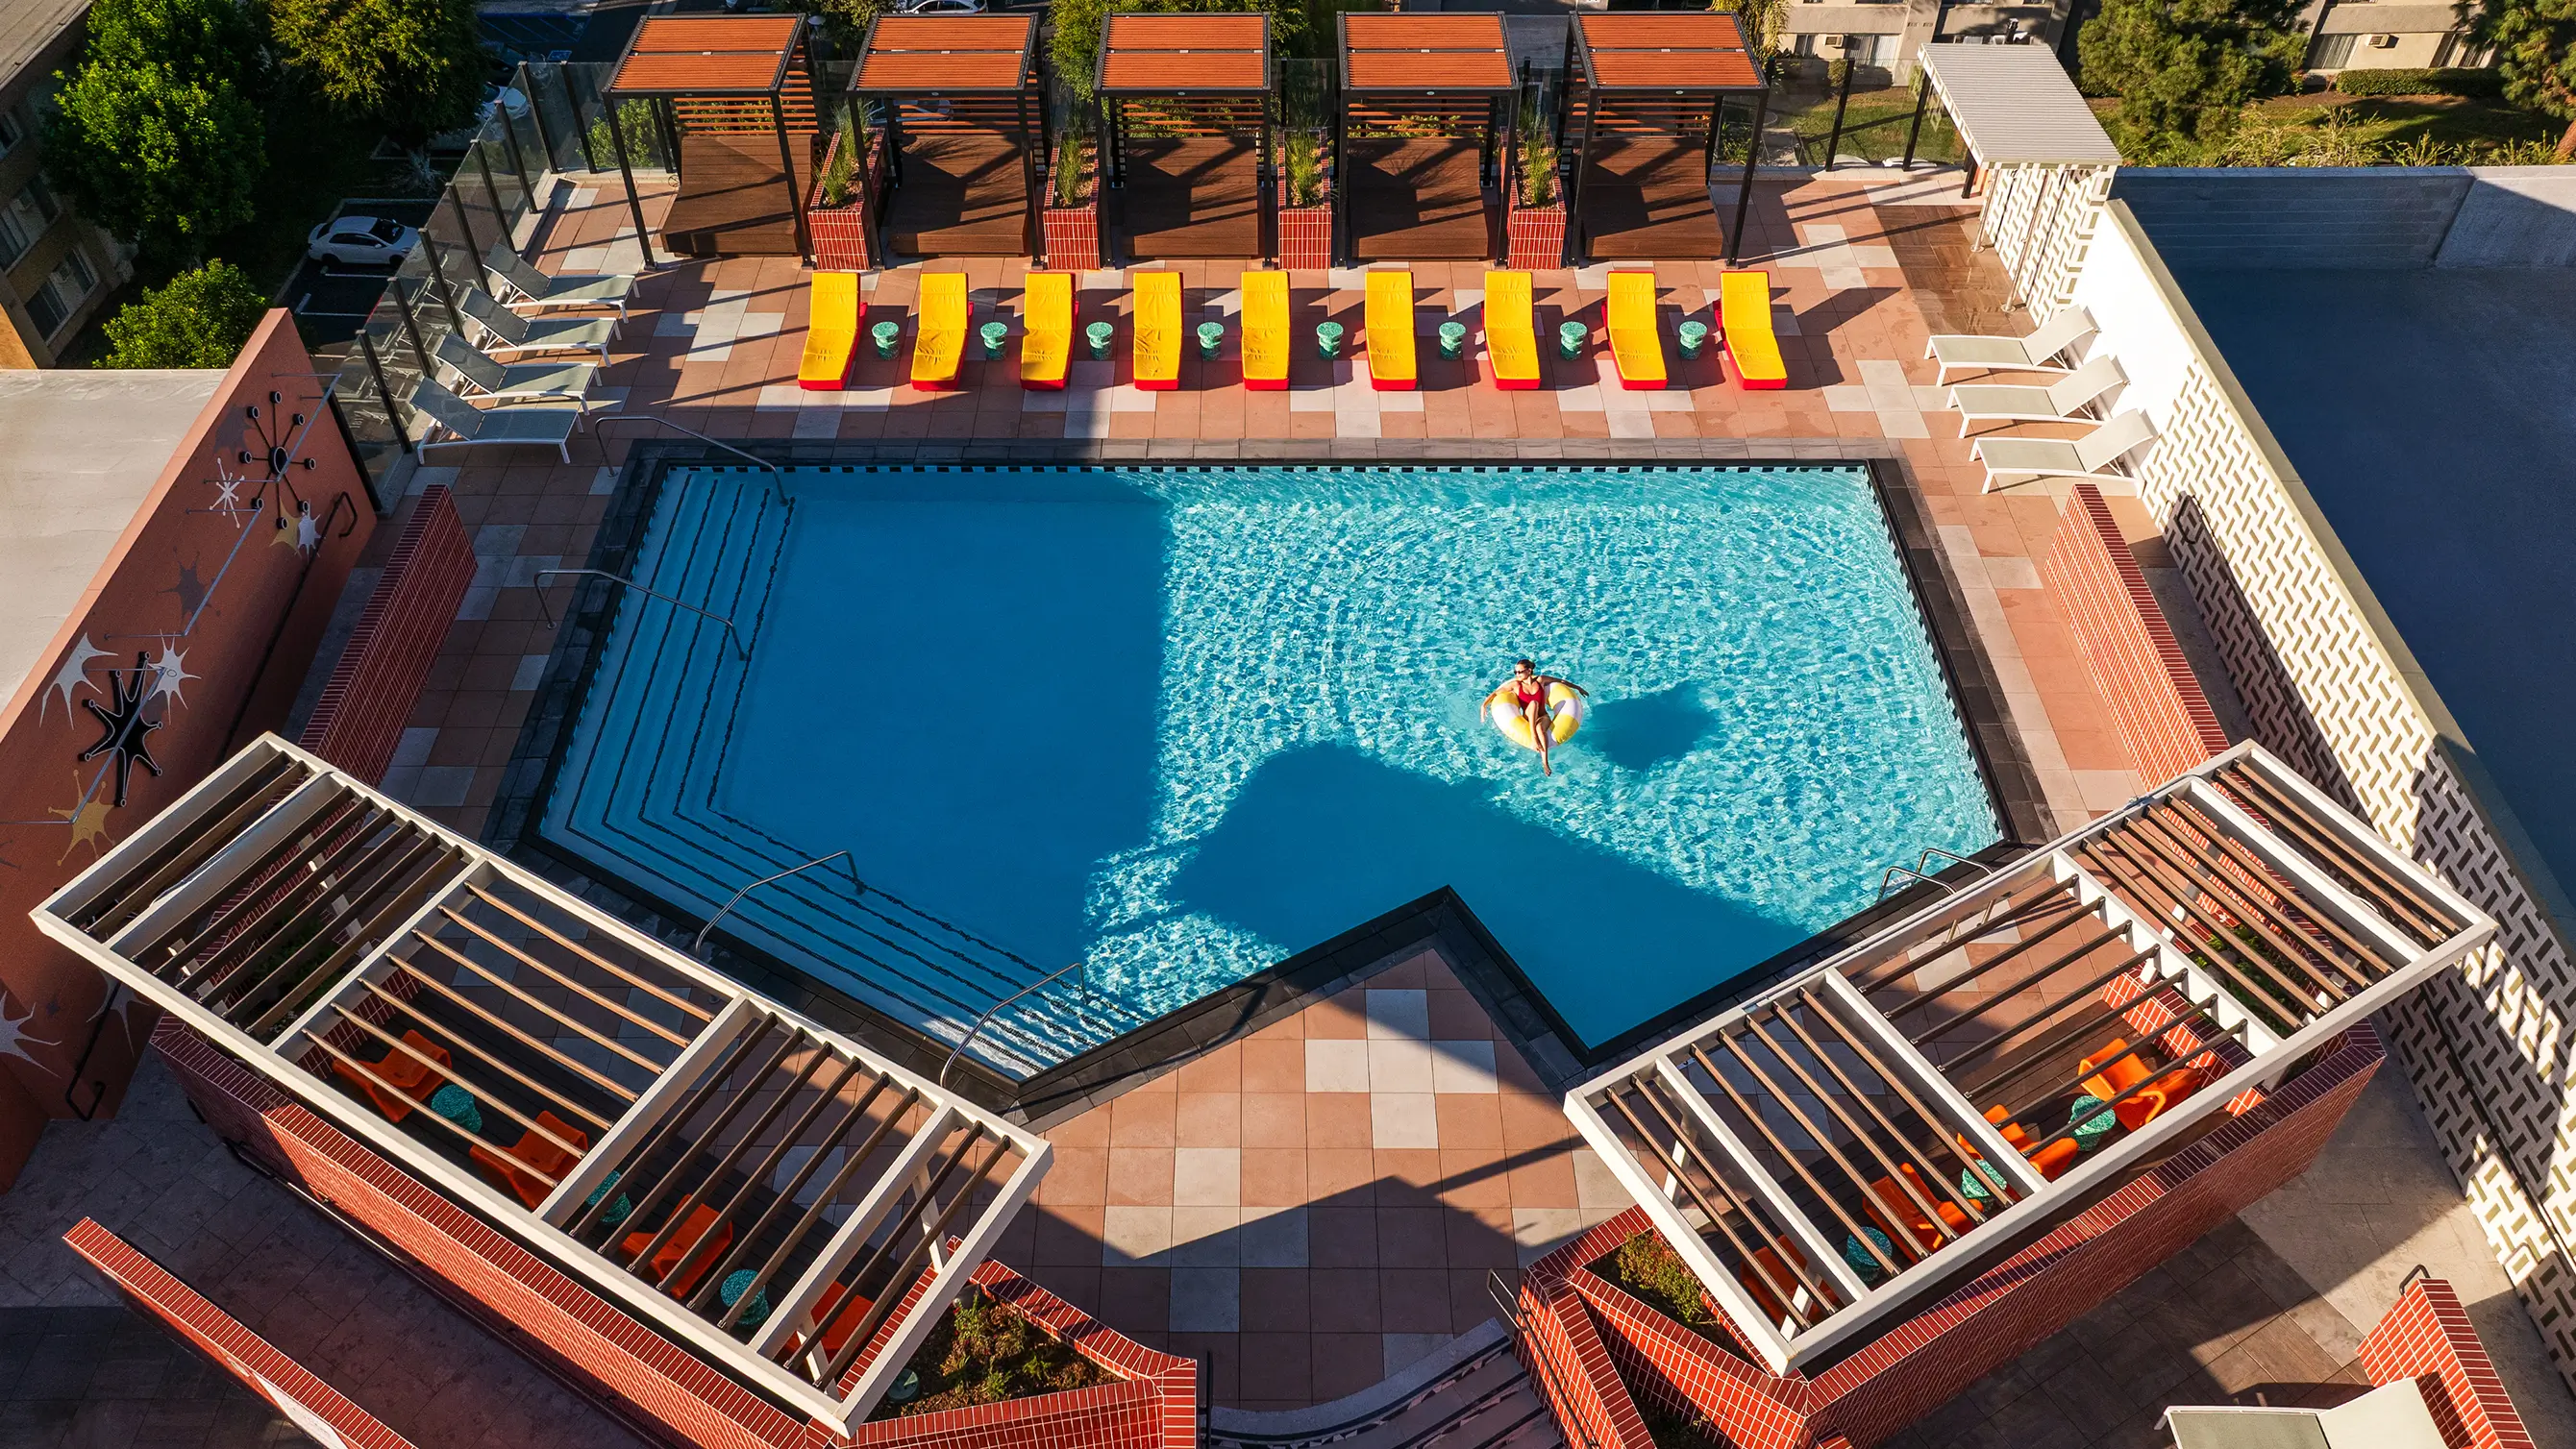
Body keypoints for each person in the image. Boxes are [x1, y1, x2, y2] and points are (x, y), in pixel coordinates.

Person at [1506, 658, 1587, 776]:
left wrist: (1578, 688)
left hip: (1543, 716)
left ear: (1529, 670)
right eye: (1515, 672)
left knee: (1541, 729)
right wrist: (1483, 706)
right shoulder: (1516, 685)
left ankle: (1545, 762)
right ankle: (1534, 738)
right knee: (1533, 704)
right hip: (1528, 717)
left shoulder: (1541, 680)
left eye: (1519, 672)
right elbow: (1496, 693)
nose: (1517, 674)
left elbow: (1561, 681)